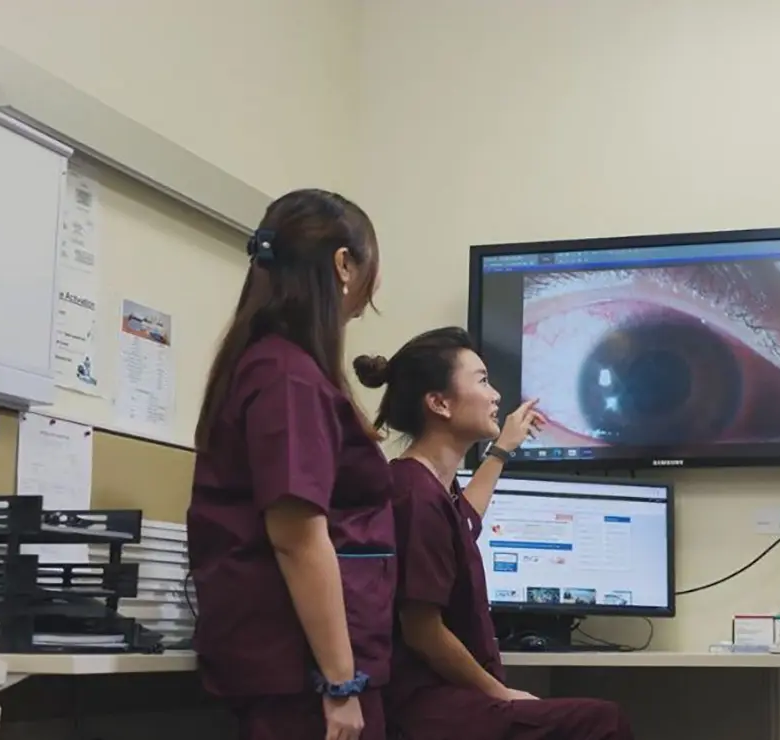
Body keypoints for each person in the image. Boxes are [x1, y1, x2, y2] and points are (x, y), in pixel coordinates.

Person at [356, 327, 635, 740]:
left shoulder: (429, 486)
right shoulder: (415, 495)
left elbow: (465, 519)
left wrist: (503, 449)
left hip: (446, 699)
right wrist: (500, 692)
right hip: (425, 709)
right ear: (439, 403)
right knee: (602, 722)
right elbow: (422, 629)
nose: (495, 395)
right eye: (482, 380)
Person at [187, 189, 393, 740]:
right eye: (371, 265)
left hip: (292, 665)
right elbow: (298, 538)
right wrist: (340, 684)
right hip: (302, 677)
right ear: (343, 264)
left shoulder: (272, 367)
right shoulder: (288, 378)